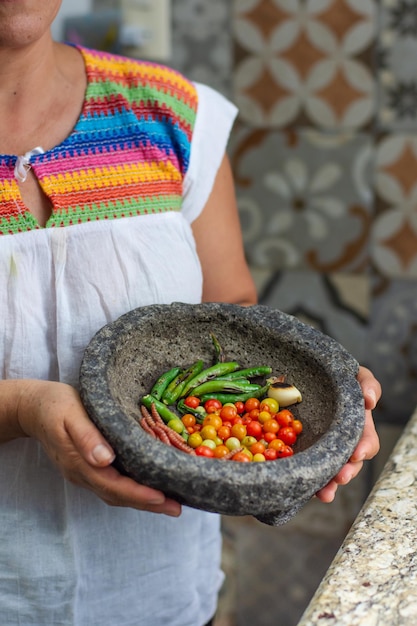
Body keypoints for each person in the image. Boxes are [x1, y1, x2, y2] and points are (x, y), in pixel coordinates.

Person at [0, 2, 381, 625]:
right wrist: (20, 409)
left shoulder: (171, 116)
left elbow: (229, 317)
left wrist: (303, 397)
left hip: (161, 597)